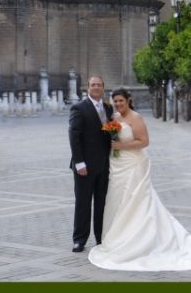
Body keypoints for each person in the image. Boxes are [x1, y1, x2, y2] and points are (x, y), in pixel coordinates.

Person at [88, 87, 191, 271]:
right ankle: (118, 237)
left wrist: (121, 145)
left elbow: (144, 141)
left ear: (129, 101)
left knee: (135, 199)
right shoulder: (115, 118)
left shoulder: (135, 118)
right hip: (118, 165)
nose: (118, 104)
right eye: (116, 101)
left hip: (134, 164)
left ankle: (140, 238)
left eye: (121, 101)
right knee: (117, 199)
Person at [68, 75, 113, 252]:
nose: (96, 87)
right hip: (84, 166)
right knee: (83, 203)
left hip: (103, 165)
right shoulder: (79, 108)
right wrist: (79, 162)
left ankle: (100, 237)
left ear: (103, 88)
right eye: (93, 85)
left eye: (99, 85)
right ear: (88, 88)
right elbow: (74, 135)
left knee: (101, 203)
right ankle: (79, 239)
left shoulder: (108, 108)